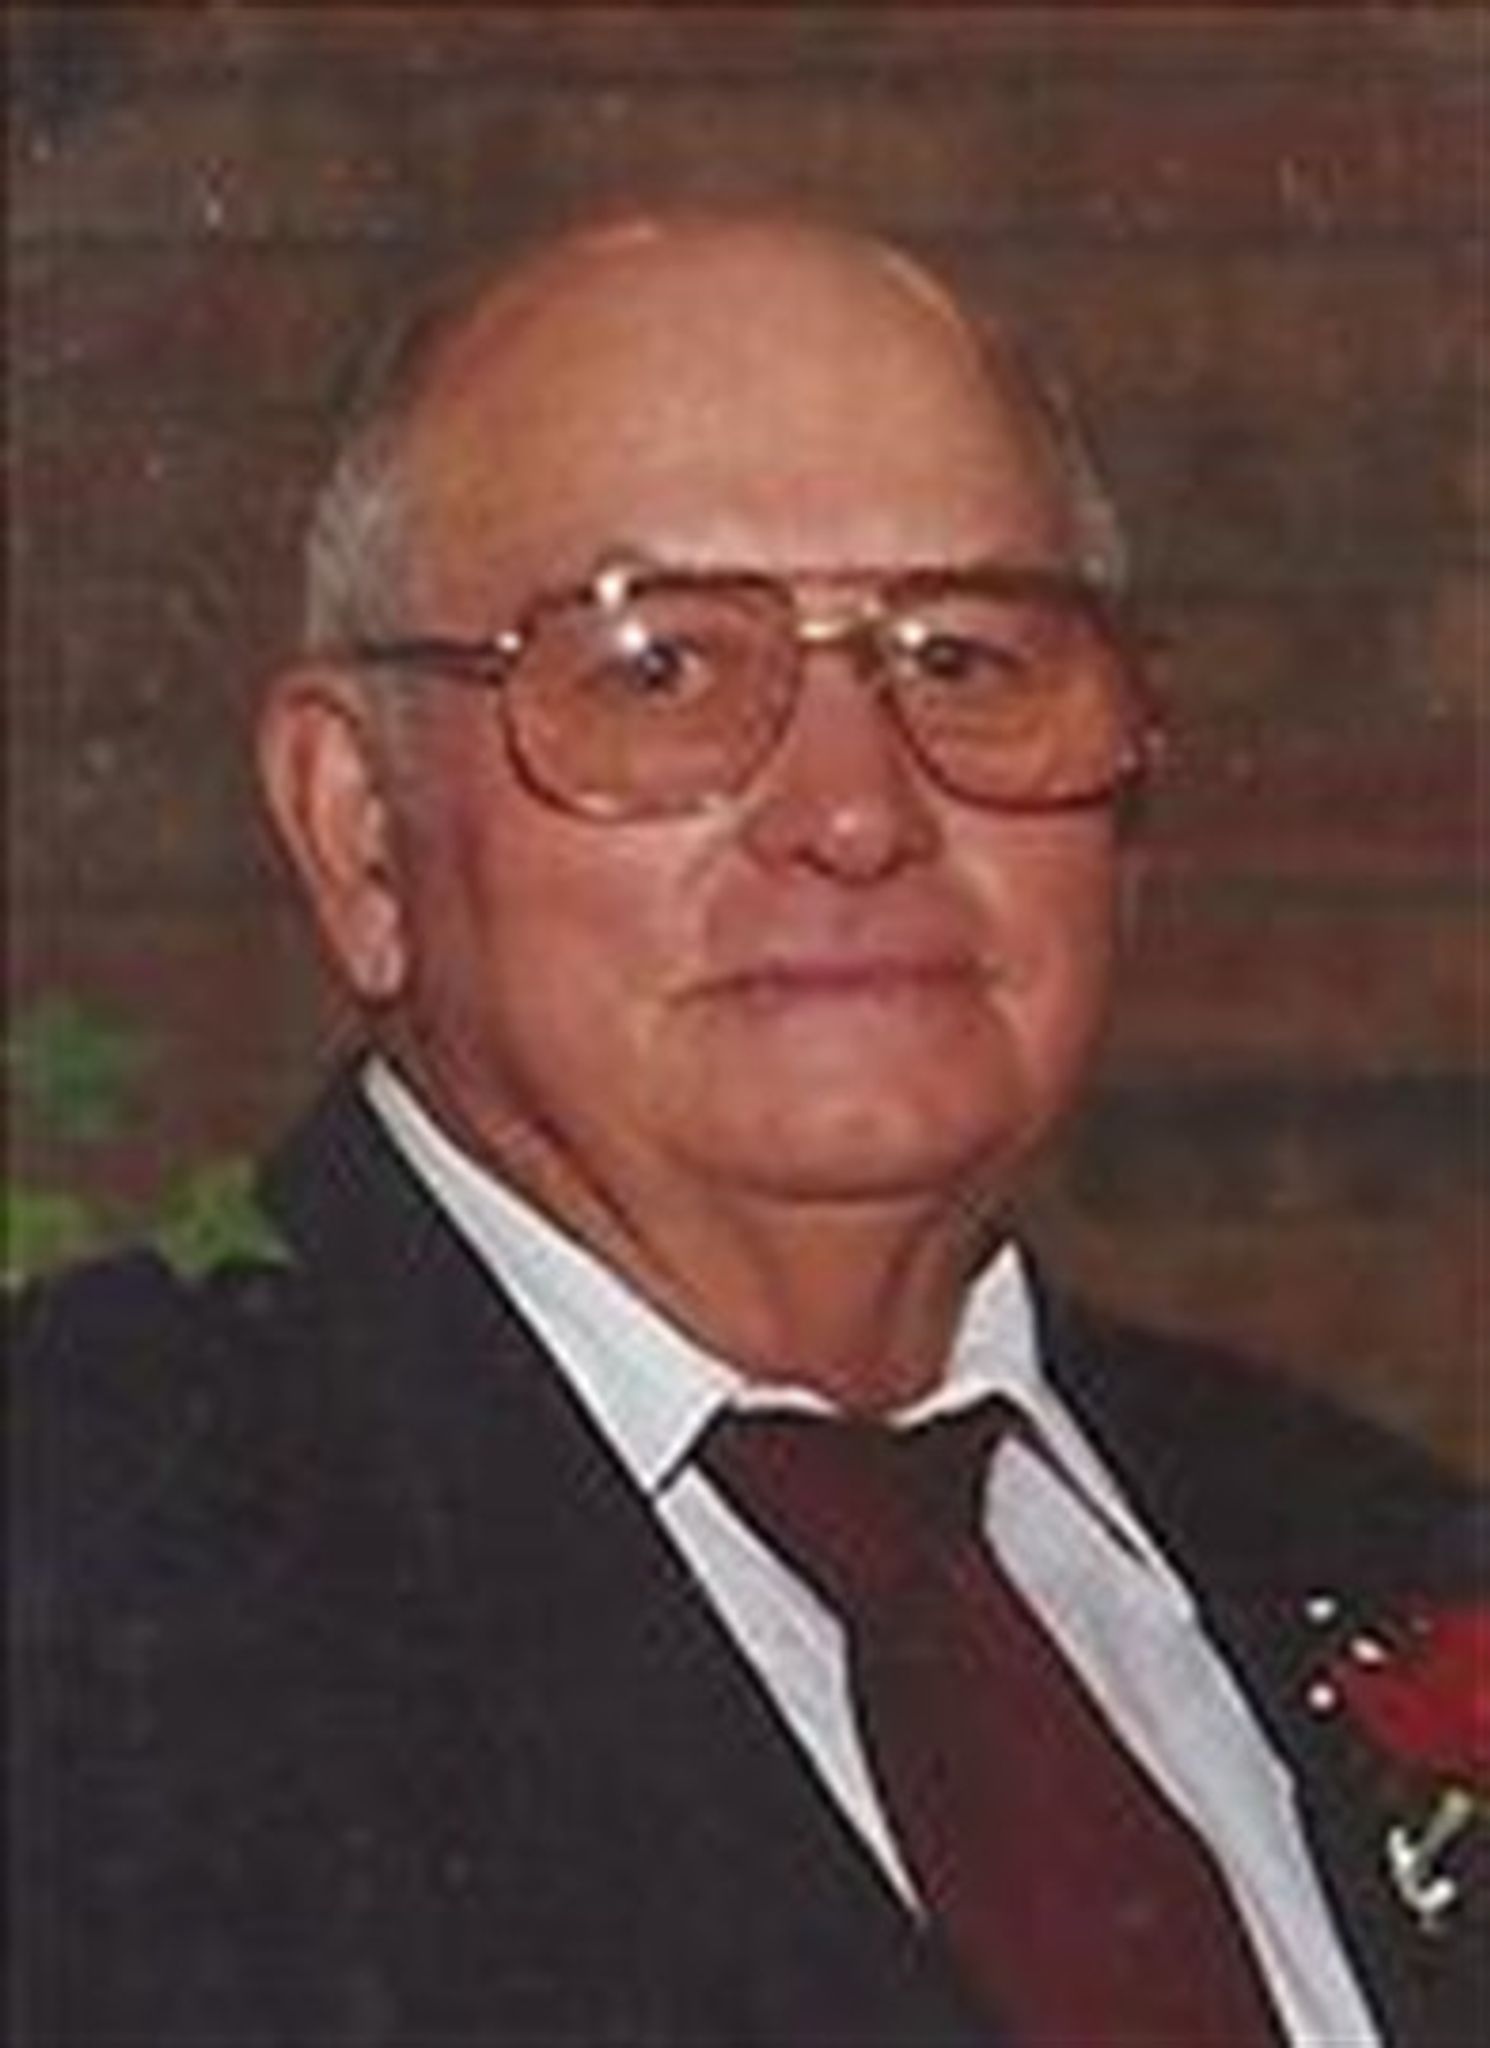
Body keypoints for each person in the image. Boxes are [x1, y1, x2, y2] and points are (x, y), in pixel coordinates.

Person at [13, 210, 1481, 2046]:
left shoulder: (1374, 1544)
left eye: (966, 660)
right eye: (658, 670)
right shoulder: (82, 1590)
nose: (854, 813)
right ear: (360, 830)